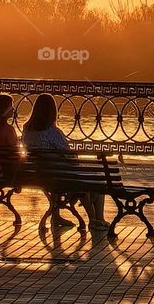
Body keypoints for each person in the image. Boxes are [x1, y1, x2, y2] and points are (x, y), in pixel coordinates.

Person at [22, 94, 106, 232]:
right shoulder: (53, 132)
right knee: (97, 180)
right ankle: (96, 220)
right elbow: (69, 156)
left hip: (42, 175)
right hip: (62, 176)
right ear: (53, 112)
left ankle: (56, 217)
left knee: (76, 178)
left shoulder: (27, 130)